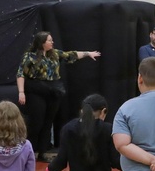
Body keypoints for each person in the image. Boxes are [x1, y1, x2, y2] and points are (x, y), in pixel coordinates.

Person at [15, 31, 101, 160]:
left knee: (48, 122)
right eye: (49, 40)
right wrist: (21, 92)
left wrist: (88, 54)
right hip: (36, 90)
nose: (52, 42)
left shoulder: (54, 54)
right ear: (42, 43)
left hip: (53, 90)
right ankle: (29, 152)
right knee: (36, 122)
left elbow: (71, 55)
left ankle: (43, 153)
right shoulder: (29, 56)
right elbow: (21, 74)